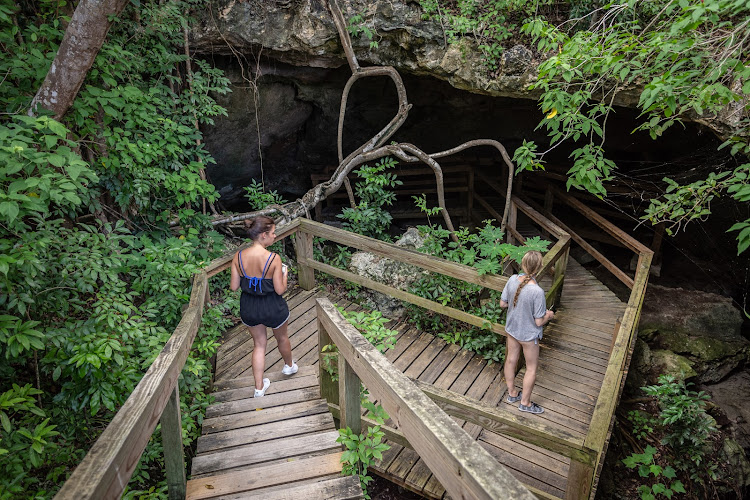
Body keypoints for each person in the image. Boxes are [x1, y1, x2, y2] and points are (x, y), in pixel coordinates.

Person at [230, 216, 297, 398]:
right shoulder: (273, 258)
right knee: (282, 338)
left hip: (249, 307)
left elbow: (234, 286)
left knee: (259, 345)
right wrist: (285, 273)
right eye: (273, 233)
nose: (275, 236)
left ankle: (259, 388)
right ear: (263, 235)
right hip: (272, 306)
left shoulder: (238, 256)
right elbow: (280, 289)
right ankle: (289, 367)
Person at [500, 250, 555, 414]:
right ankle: (525, 403)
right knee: (531, 368)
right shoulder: (537, 291)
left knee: (511, 360)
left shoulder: (511, 280)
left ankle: (512, 394)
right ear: (539, 268)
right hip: (528, 336)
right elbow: (538, 321)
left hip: (512, 329)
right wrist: (549, 316)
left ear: (523, 264)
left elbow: (503, 304)